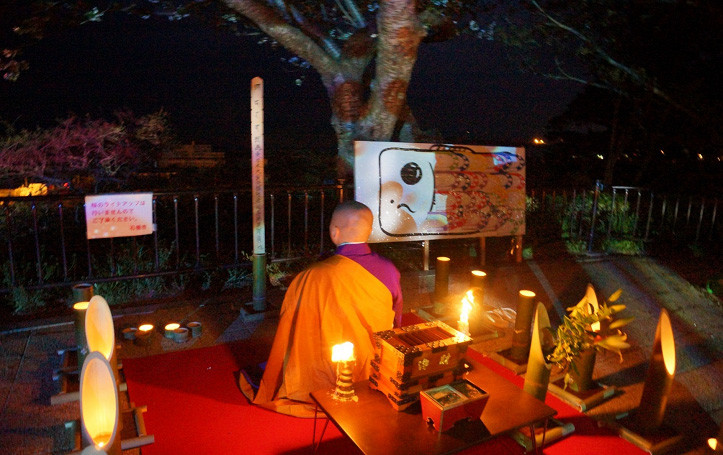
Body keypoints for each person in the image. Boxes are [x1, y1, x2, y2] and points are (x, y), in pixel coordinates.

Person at [240, 200, 403, 417]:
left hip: (322, 366)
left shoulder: (311, 276)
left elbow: (291, 326)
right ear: (370, 231)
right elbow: (396, 323)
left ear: (335, 232)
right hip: (372, 369)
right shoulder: (389, 270)